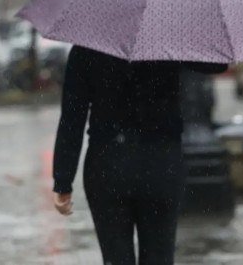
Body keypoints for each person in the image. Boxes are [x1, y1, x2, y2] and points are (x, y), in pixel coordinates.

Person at [52, 46, 226, 265]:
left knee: (116, 258)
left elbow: (72, 117)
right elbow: (217, 64)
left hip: (108, 164)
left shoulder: (87, 48)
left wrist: (63, 180)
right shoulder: (166, 41)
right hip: (160, 164)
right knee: (159, 256)